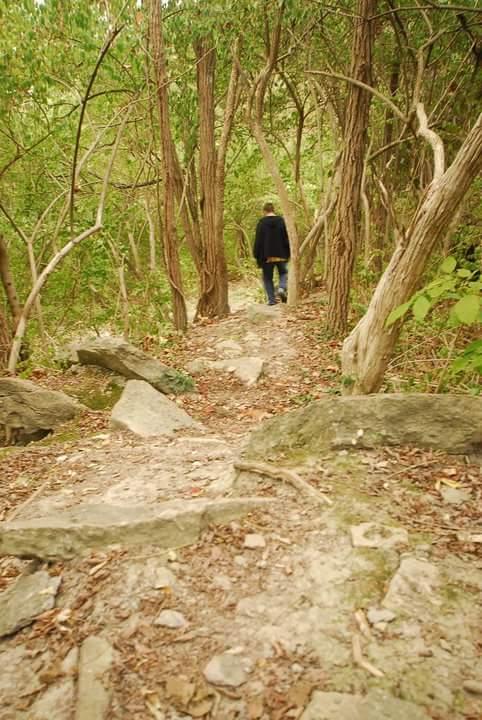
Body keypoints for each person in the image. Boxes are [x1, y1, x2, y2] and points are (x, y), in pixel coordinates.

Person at [253, 202, 290, 305]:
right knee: (283, 273)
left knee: (267, 278)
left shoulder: (261, 223)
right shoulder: (281, 221)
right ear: (273, 210)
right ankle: (282, 288)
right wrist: (288, 252)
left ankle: (272, 300)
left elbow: (258, 241)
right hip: (281, 254)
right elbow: (287, 238)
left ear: (264, 211)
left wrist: (256, 255)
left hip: (267, 256)